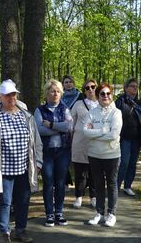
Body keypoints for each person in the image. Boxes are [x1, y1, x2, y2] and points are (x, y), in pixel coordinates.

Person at [0, 79, 43, 243]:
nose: (11, 98)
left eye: (13, 94)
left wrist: (38, 162)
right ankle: (3, 233)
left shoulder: (25, 115)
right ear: (0, 96)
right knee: (5, 202)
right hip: (3, 168)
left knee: (23, 200)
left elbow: (36, 141)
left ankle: (20, 230)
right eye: (7, 95)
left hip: (24, 167)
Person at [35, 79, 74, 226]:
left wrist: (50, 124)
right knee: (48, 182)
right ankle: (49, 214)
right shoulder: (40, 110)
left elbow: (68, 127)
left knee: (60, 182)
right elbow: (39, 129)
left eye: (58, 91)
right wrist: (59, 127)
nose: (55, 94)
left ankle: (59, 212)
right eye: (52, 91)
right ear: (47, 93)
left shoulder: (65, 109)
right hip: (47, 153)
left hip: (62, 152)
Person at [83, 83, 123, 227]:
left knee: (112, 184)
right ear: (98, 96)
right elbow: (85, 131)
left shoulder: (116, 113)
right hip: (94, 154)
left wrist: (95, 132)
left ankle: (111, 214)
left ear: (112, 95)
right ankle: (99, 213)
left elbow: (114, 135)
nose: (106, 96)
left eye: (108, 93)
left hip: (112, 155)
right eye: (102, 94)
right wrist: (103, 130)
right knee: (98, 184)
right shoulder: (92, 112)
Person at [115, 77, 141, 196]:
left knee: (132, 163)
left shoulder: (139, 103)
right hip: (124, 138)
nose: (135, 88)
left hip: (136, 138)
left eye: (136, 87)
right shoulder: (119, 102)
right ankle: (116, 186)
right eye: (132, 86)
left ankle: (127, 186)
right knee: (124, 162)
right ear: (125, 88)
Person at [70, 79, 99, 209]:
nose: (90, 89)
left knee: (95, 172)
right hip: (80, 143)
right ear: (84, 91)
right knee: (80, 172)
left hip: (97, 143)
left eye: (93, 87)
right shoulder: (78, 104)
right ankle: (79, 197)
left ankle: (93, 197)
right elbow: (71, 122)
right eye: (87, 88)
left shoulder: (103, 103)